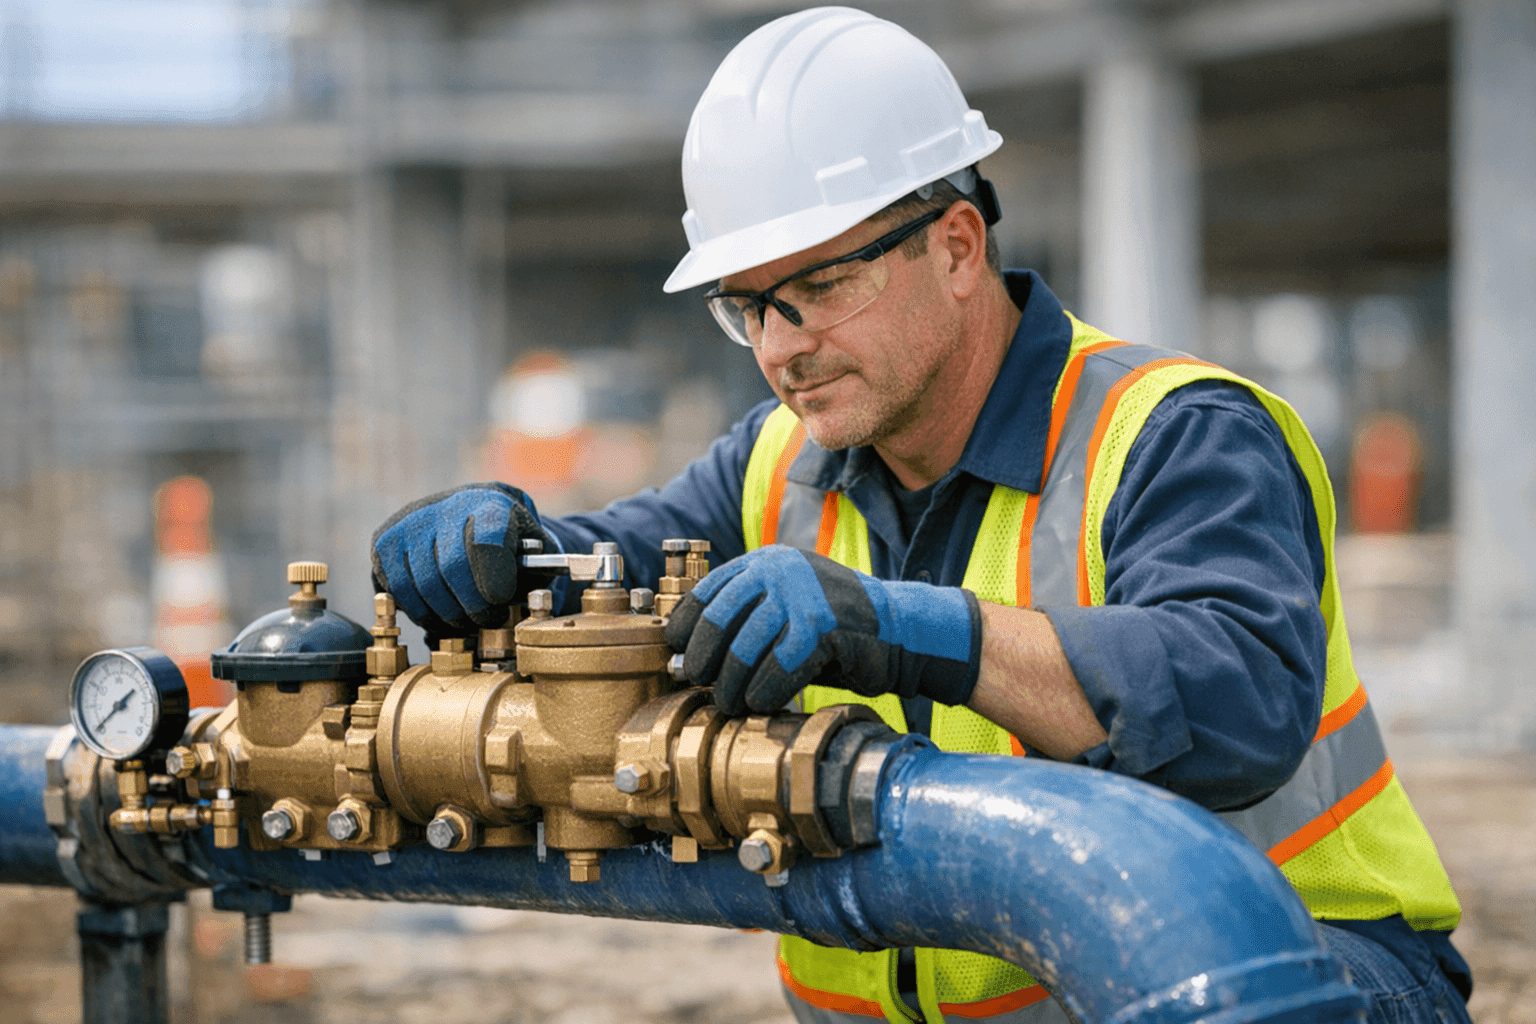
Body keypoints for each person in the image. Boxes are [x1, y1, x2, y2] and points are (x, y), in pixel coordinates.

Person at [370, 8, 1471, 1024]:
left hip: (1294, 975)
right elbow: (615, 563)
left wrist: (907, 628)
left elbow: (1234, 702)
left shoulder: (1175, 432)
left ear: (954, 246)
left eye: (815, 288)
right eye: (746, 306)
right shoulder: (776, 464)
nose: (779, 347)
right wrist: (508, 546)